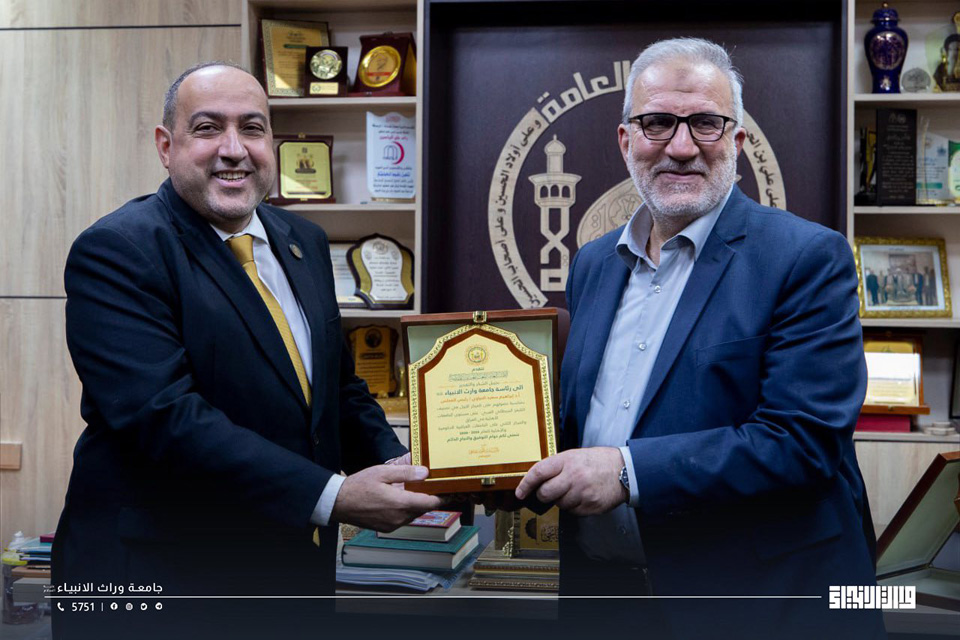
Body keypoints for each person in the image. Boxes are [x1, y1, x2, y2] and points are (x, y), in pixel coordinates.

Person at [52, 62, 442, 638]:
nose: (233, 149)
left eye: (252, 128)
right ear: (166, 146)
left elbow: (336, 386)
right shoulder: (119, 250)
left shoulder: (302, 239)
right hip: (160, 582)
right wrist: (333, 495)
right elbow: (166, 419)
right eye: (208, 128)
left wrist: (400, 466)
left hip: (287, 574)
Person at [515, 38, 884, 639]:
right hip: (606, 600)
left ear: (737, 141)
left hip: (759, 608)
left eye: (706, 123)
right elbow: (583, 421)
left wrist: (628, 472)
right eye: (657, 123)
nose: (681, 147)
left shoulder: (807, 257)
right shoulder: (592, 264)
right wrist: (478, 461)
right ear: (626, 140)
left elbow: (803, 441)